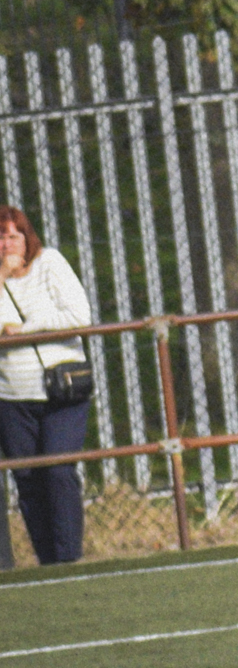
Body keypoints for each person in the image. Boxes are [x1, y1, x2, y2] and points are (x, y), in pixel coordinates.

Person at [0, 206, 95, 567]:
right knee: (27, 480)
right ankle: (46, 563)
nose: (6, 243)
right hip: (11, 397)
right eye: (0, 236)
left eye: (13, 235)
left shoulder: (50, 263)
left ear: (28, 238)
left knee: (57, 472)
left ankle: (68, 560)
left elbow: (77, 315)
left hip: (62, 390)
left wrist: (26, 329)